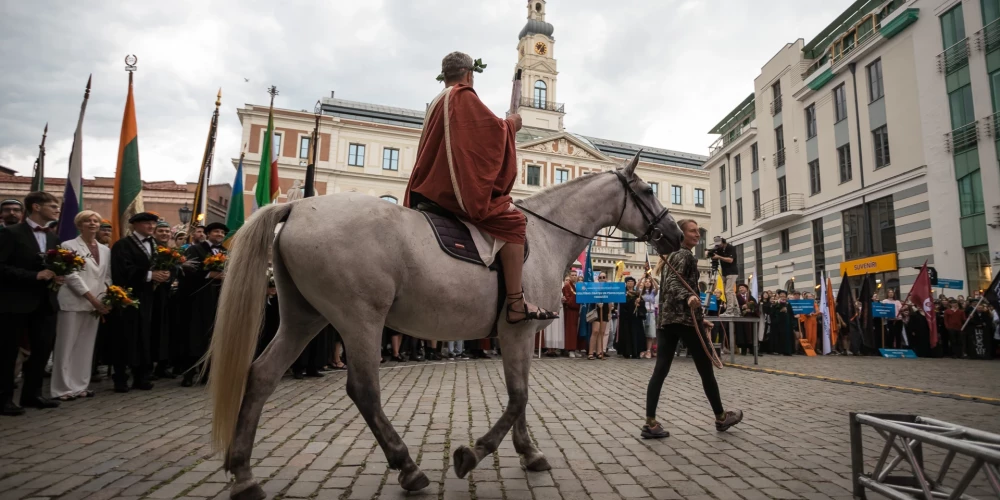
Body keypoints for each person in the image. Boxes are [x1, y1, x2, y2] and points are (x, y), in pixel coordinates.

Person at [403, 51, 556, 324]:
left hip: (427, 186)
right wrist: (511, 125)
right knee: (514, 222)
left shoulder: (438, 101)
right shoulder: (462, 96)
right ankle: (515, 302)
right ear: (469, 74)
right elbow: (489, 135)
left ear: (445, 75)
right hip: (448, 191)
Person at [641, 219, 742, 439]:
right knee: (706, 370)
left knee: (660, 370)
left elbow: (670, 288)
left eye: (698, 231)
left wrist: (699, 317)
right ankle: (721, 417)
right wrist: (689, 298)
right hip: (684, 322)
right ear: (681, 234)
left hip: (669, 321)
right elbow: (677, 286)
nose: (697, 235)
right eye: (693, 231)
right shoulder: (684, 255)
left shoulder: (673, 255)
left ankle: (650, 422)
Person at [0, 192, 64, 416]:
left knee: (42, 348)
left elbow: (51, 265)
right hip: (15, 302)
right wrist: (33, 276)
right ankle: (4, 399)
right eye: (53, 205)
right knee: (8, 352)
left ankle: (32, 394)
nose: (57, 209)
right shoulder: (11, 233)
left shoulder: (54, 237)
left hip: (45, 302)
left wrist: (57, 275)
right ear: (36, 207)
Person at [51, 211, 111, 401]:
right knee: (66, 345)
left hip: (95, 304)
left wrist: (105, 298)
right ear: (80, 225)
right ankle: (62, 388)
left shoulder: (105, 250)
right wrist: (92, 298)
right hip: (73, 302)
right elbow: (71, 275)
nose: (92, 224)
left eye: (95, 221)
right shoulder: (69, 245)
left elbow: (107, 276)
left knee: (85, 347)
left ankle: (80, 385)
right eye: (88, 221)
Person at [109, 212, 168, 392]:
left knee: (145, 337)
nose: (151, 227)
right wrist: (150, 275)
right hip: (128, 297)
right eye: (147, 223)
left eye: (153, 224)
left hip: (150, 297)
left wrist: (165, 274)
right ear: (135, 225)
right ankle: (120, 378)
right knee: (126, 337)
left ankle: (141, 376)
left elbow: (165, 265)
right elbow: (122, 270)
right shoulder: (123, 245)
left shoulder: (156, 245)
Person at [177, 221, 228, 386]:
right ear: (208, 233)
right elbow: (188, 271)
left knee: (212, 336)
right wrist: (209, 275)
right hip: (197, 300)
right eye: (216, 232)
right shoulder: (195, 249)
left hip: (217, 300)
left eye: (222, 232)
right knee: (194, 336)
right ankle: (189, 374)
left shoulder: (227, 252)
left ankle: (207, 373)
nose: (219, 235)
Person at [616, 276, 646, 359]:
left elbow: (642, 305)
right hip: (626, 317)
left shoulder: (637, 294)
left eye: (632, 281)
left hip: (635, 318)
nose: (630, 283)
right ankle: (626, 352)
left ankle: (636, 352)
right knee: (626, 334)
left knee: (636, 334)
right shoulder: (623, 293)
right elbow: (621, 304)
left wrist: (639, 304)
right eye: (628, 281)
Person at [711, 236, 739, 317]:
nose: (718, 246)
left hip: (732, 272)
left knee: (728, 291)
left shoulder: (731, 248)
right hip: (724, 272)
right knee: (730, 292)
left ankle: (730, 311)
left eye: (719, 244)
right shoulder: (719, 249)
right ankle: (737, 310)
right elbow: (712, 253)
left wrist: (718, 257)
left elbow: (730, 260)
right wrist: (709, 252)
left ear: (723, 242)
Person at [588, 274, 611, 360]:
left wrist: (609, 312)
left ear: (606, 279)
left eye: (604, 277)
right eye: (600, 277)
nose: (602, 279)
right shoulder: (595, 288)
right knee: (595, 331)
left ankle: (599, 352)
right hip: (596, 309)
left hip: (604, 310)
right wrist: (597, 302)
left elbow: (609, 302)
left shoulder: (608, 289)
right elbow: (590, 297)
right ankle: (591, 352)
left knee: (602, 332)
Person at [770, 290, 795, 355]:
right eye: (781, 294)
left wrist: (787, 312)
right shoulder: (775, 303)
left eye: (784, 295)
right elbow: (772, 313)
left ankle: (787, 351)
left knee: (786, 336)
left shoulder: (788, 303)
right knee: (778, 336)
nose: (782, 296)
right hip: (778, 322)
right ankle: (778, 350)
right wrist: (780, 311)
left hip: (786, 322)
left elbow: (791, 313)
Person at [734, 284, 758, 355]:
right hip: (742, 318)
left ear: (746, 289)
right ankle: (743, 350)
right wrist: (742, 307)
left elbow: (756, 306)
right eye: (740, 288)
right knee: (742, 334)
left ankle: (752, 350)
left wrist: (751, 310)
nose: (741, 289)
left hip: (750, 318)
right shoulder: (737, 297)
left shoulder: (750, 297)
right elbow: (734, 306)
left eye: (742, 287)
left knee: (751, 333)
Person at [562, 274, 580, 357]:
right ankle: (570, 349)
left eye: (576, 275)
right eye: (572, 275)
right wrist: (573, 303)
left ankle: (575, 348)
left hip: (577, 311)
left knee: (576, 330)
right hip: (570, 311)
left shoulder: (576, 286)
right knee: (570, 330)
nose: (574, 276)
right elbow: (567, 299)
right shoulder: (567, 286)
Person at [640, 277, 658, 358]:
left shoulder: (653, 292)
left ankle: (648, 350)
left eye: (649, 282)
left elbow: (657, 287)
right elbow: (637, 288)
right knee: (642, 332)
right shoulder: (641, 292)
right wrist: (641, 279)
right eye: (646, 282)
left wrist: (652, 279)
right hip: (643, 313)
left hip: (651, 313)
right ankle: (643, 349)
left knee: (650, 333)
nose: (647, 283)